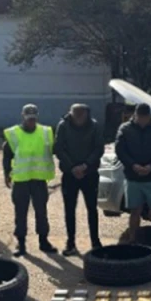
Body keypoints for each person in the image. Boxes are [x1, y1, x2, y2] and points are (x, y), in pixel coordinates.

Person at [115, 102, 151, 254]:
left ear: (149, 116)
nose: (142, 120)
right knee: (135, 210)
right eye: (140, 117)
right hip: (133, 177)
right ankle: (132, 239)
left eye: (145, 117)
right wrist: (133, 165)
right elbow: (120, 150)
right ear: (135, 115)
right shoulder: (125, 129)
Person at [3, 104, 57, 257]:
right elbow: (7, 155)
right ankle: (21, 244)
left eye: (33, 118)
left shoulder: (45, 132)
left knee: (41, 212)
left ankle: (44, 242)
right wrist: (6, 173)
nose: (31, 121)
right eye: (28, 118)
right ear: (23, 116)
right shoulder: (14, 134)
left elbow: (56, 149)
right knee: (20, 213)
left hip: (39, 180)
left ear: (37, 117)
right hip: (21, 181)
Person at [54, 103, 103, 256]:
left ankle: (95, 242)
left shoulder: (94, 126)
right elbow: (58, 148)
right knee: (69, 209)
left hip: (90, 174)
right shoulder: (63, 126)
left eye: (82, 115)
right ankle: (71, 242)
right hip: (70, 174)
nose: (79, 118)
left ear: (87, 114)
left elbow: (98, 148)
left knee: (92, 209)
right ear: (71, 114)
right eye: (75, 115)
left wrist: (86, 165)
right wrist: (72, 167)